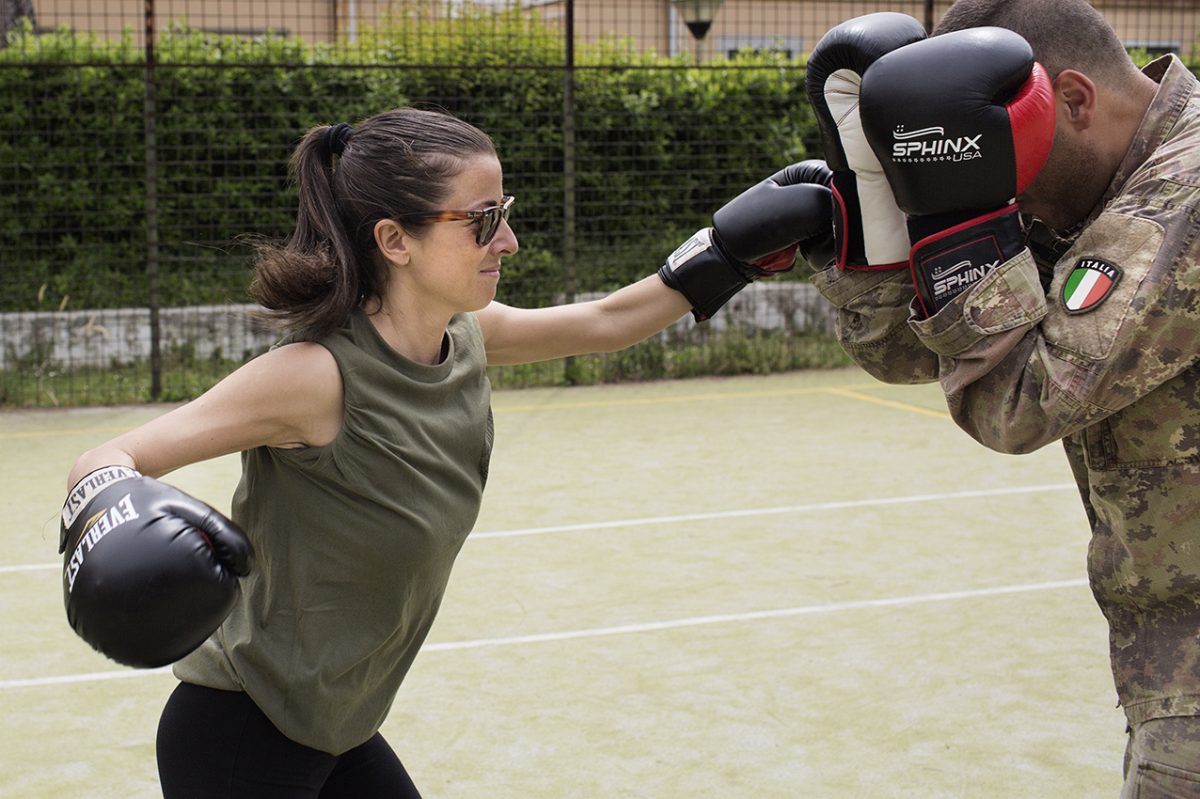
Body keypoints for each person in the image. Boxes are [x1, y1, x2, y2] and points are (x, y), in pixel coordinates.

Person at [57, 106, 835, 797]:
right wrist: (125, 523)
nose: (510, 239)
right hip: (240, 734)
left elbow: (602, 322)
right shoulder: (314, 377)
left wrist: (725, 250)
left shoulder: (466, 335)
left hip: (340, 723)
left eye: (506, 211)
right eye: (483, 219)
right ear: (395, 239)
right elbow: (106, 457)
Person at [805, 1, 1200, 793]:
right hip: (1168, 658)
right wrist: (876, 211)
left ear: (1076, 101)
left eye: (1008, 158)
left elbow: (1020, 400)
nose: (1005, 190)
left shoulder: (1177, 202)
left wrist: (951, 220)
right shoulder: (1100, 180)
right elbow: (910, 356)